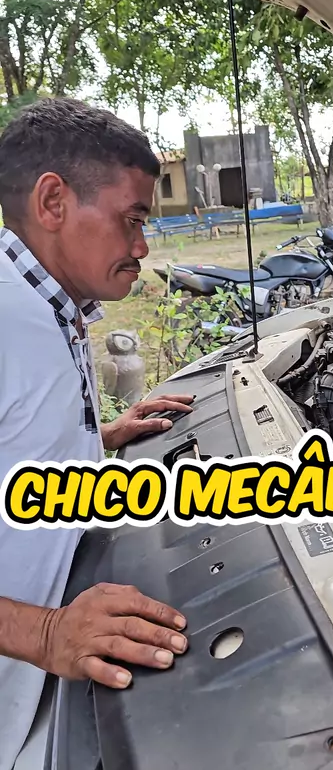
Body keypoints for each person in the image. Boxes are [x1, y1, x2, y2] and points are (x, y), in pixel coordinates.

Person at [0, 97, 194, 769]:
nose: (141, 247)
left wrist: (99, 436)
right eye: (131, 219)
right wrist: (46, 633)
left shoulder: (51, 302)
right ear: (53, 201)